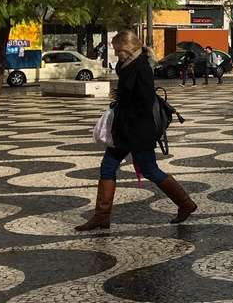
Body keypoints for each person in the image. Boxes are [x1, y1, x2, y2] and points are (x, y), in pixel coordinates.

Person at [76, 29, 198, 232]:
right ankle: (101, 217)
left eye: (117, 49)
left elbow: (145, 101)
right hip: (124, 131)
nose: (115, 54)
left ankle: (186, 204)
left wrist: (123, 107)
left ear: (127, 48)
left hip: (139, 132)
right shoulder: (127, 65)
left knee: (150, 170)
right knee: (107, 167)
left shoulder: (141, 67)